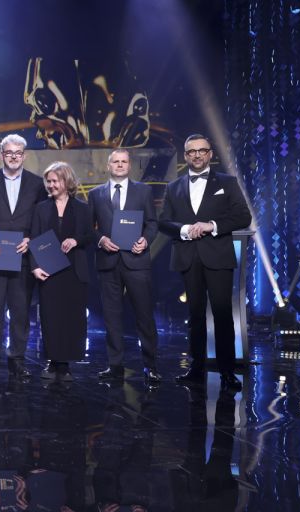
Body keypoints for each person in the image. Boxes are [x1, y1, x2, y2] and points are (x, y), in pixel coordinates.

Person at [159, 134, 252, 391]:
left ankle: (227, 372)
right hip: (189, 256)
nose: (197, 155)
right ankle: (196, 368)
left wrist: (212, 225)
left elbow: (243, 216)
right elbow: (164, 222)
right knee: (195, 315)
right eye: (192, 151)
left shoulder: (227, 182)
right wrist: (185, 229)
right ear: (185, 156)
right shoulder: (173, 187)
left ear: (210, 153)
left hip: (218, 255)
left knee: (222, 314)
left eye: (202, 150)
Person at [0, 134, 48, 380]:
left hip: (23, 257)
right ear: (2, 155)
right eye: (9, 153)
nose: (13, 157)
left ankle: (17, 359)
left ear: (24, 156)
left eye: (18, 153)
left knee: (20, 312)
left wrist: (31, 239)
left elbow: (42, 218)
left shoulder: (37, 184)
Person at [89, 149, 160, 384]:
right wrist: (101, 239)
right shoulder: (95, 194)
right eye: (115, 162)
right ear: (108, 166)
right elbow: (88, 227)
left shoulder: (143, 191)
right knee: (112, 318)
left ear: (129, 166)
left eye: (124, 161)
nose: (120, 165)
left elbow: (152, 223)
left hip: (137, 260)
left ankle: (151, 366)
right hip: (108, 262)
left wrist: (145, 240)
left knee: (144, 316)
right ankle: (115, 366)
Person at [31, 162, 92, 382]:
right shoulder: (41, 208)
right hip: (49, 271)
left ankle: (65, 364)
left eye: (55, 181)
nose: (51, 185)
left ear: (67, 181)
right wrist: (35, 267)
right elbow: (34, 239)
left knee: (71, 319)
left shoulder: (82, 208)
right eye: (48, 181)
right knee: (50, 318)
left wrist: (76, 240)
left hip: (74, 271)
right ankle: (53, 360)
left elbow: (89, 236)